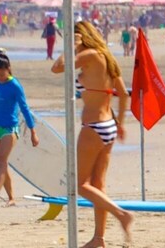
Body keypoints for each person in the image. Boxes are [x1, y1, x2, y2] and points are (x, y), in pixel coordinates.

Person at [51, 21, 134, 247]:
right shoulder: (106, 57)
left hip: (94, 128)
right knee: (98, 185)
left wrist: (70, 46)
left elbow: (57, 67)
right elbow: (123, 93)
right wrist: (121, 123)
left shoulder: (88, 55)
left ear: (82, 36)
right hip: (109, 125)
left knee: (79, 185)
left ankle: (121, 214)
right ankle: (99, 238)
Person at [0, 50, 38, 206]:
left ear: (8, 69)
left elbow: (24, 108)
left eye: (2, 74)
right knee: (1, 163)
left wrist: (33, 131)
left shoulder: (15, 86)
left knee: (2, 160)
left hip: (9, 128)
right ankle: (11, 198)